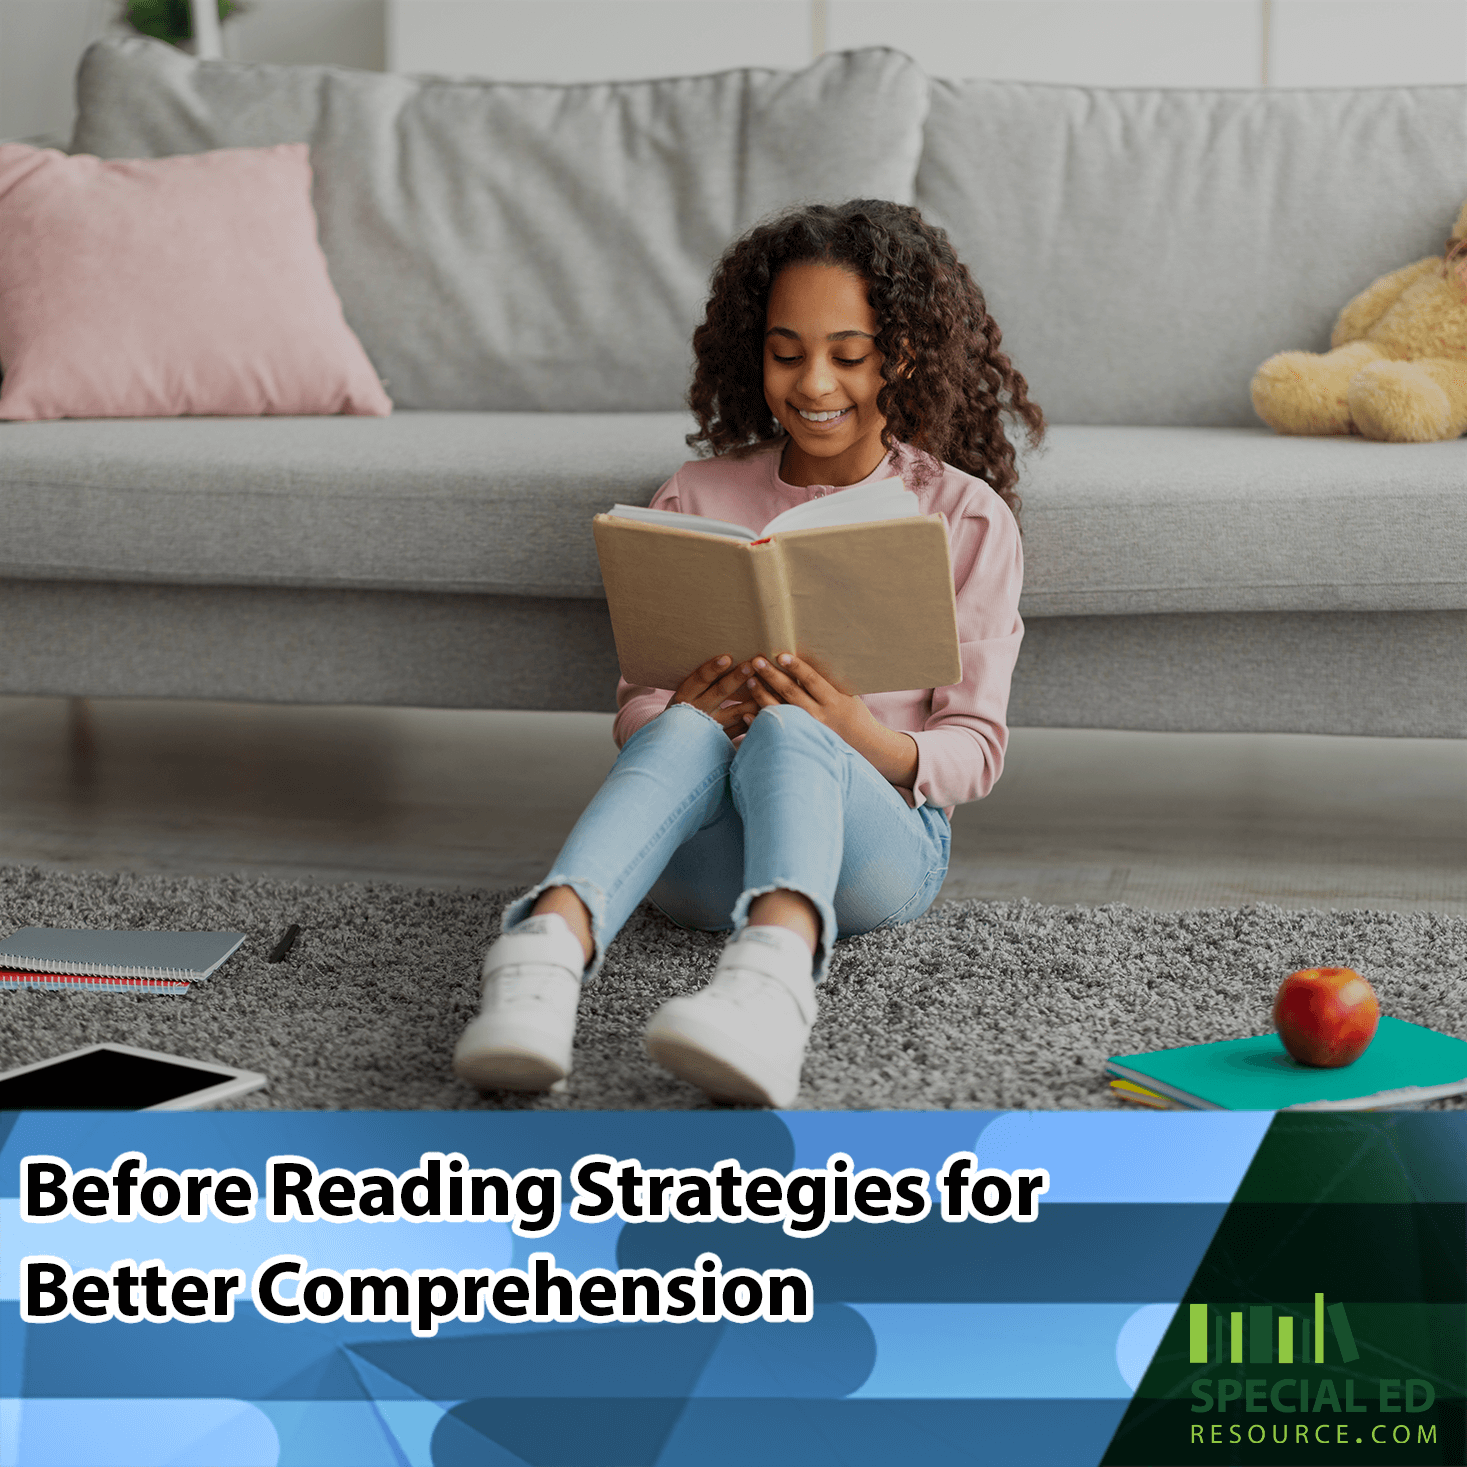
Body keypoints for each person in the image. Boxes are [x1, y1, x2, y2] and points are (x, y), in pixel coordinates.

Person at [453, 198, 1044, 1108]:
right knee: (692, 731)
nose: (813, 383)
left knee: (793, 735)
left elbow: (975, 750)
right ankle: (542, 956)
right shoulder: (693, 494)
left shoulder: (963, 516)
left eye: (848, 356)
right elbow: (638, 706)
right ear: (752, 350)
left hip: (874, 854)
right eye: (785, 352)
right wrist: (683, 710)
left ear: (905, 354)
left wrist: (851, 729)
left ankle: (769, 987)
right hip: (697, 856)